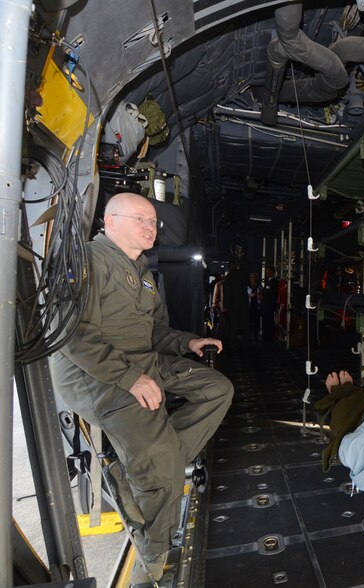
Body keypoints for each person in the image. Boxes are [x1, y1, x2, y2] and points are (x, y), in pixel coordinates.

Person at [50, 193, 234, 587]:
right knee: (162, 460)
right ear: (110, 221)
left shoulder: (145, 273)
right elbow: (72, 336)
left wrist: (188, 343)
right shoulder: (87, 260)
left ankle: (151, 469)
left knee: (217, 389)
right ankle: (150, 562)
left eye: (154, 222)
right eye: (141, 220)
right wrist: (131, 379)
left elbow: (157, 333)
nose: (151, 228)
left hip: (142, 362)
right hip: (95, 374)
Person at [261, 265, 280, 342]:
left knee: (269, 321)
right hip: (266, 305)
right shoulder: (268, 282)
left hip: (270, 305)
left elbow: (272, 294)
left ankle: (269, 337)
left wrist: (264, 296)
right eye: (266, 272)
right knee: (266, 321)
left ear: (273, 273)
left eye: (268, 272)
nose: (267, 274)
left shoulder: (274, 282)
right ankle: (266, 336)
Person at [247, 272, 261, 340]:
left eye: (254, 277)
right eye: (251, 277)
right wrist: (250, 296)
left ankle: (256, 336)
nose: (253, 278)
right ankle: (248, 336)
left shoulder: (259, 286)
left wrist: (259, 296)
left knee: (256, 322)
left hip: (256, 307)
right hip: (248, 307)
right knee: (248, 322)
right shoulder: (247, 286)